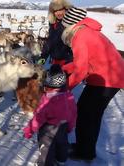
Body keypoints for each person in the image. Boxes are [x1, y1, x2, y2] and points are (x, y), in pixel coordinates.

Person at [60, 6, 124, 161]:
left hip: (107, 79)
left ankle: (85, 153)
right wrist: (63, 68)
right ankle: (83, 147)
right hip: (108, 77)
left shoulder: (80, 36)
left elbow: (81, 70)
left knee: (88, 115)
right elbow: (84, 62)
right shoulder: (87, 31)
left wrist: (64, 88)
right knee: (86, 112)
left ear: (69, 25)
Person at [23, 64, 77, 166]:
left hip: (48, 130)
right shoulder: (69, 96)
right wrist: (70, 126)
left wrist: (29, 130)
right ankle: (61, 160)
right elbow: (73, 113)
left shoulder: (47, 100)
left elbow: (38, 118)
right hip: (63, 127)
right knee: (62, 144)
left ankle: (45, 164)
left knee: (46, 149)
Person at [37, 0, 73, 66]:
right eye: (56, 11)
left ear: (66, 10)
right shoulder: (53, 24)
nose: (59, 13)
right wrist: (43, 57)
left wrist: (70, 62)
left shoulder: (71, 25)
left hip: (68, 63)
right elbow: (50, 42)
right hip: (54, 62)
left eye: (60, 10)